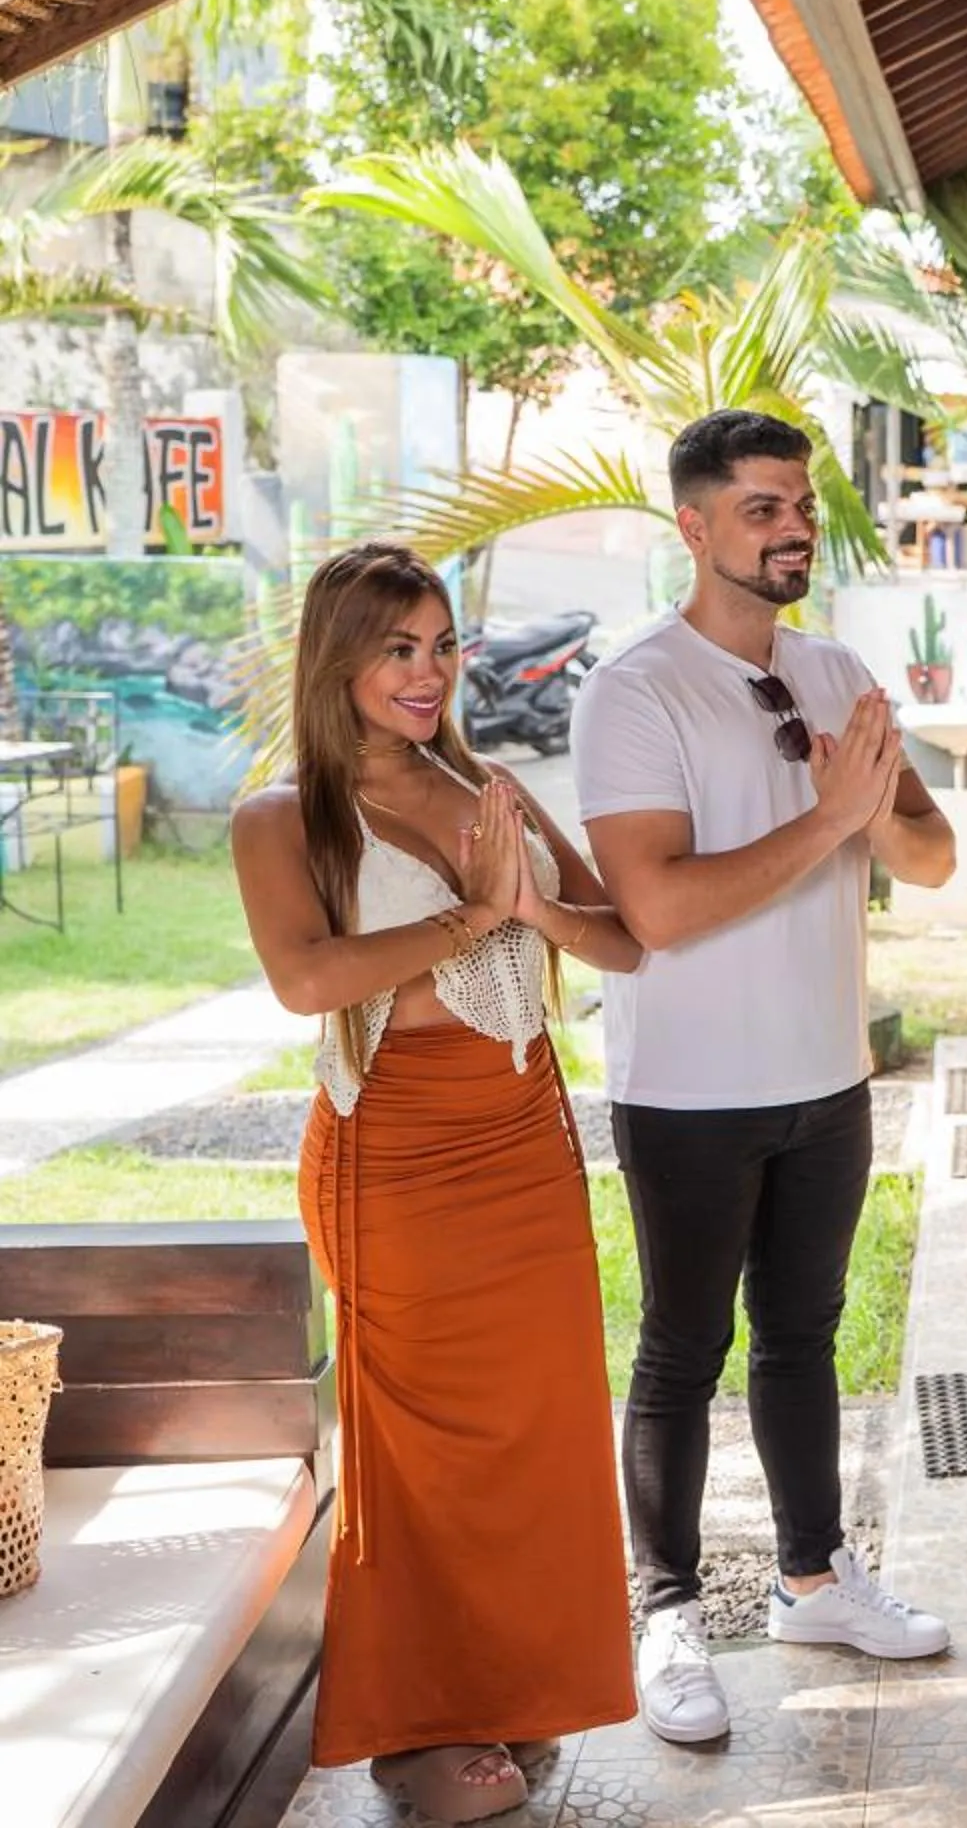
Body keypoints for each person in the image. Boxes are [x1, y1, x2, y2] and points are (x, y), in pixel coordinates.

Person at [231, 543, 642, 1824]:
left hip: (523, 1137)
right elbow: (310, 980)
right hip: (391, 1152)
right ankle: (418, 1727)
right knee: (420, 1449)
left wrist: (533, 902)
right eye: (397, 647)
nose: (427, 671)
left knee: (539, 1431)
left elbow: (618, 935)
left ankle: (516, 1689)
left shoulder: (488, 785)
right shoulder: (281, 815)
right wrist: (473, 913)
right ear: (338, 656)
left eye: (442, 643)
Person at [574, 409, 960, 1745]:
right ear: (694, 527)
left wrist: (879, 803)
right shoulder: (637, 692)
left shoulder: (837, 667)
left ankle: (813, 1579)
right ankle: (669, 1613)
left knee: (803, 1336)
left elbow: (933, 858)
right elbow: (661, 909)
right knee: (683, 1350)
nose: (792, 527)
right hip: (687, 1088)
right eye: (760, 508)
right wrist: (834, 818)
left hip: (826, 1074)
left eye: (799, 504)